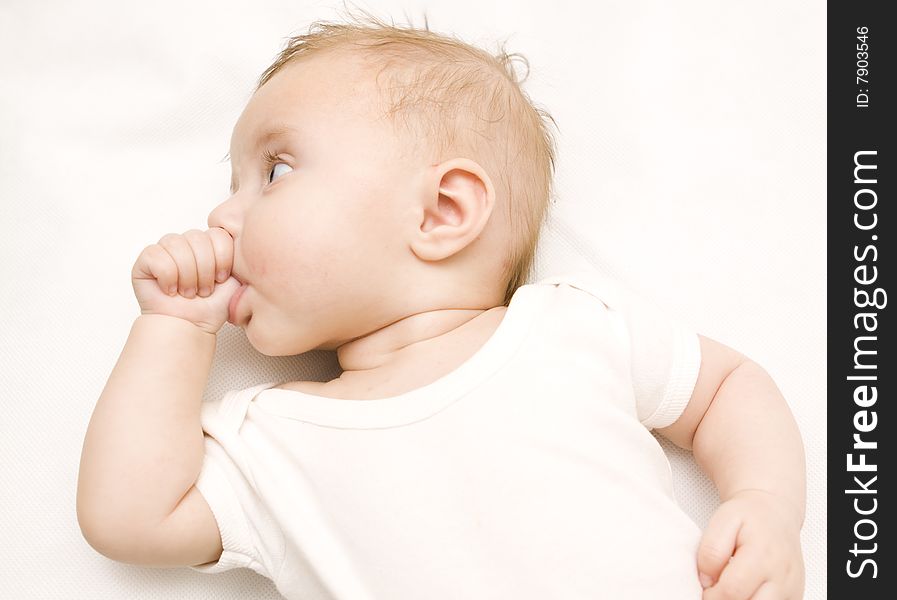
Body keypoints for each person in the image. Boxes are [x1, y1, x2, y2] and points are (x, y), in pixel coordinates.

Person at [76, 12, 806, 600]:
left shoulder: (572, 325)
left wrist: (765, 504)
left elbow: (727, 388)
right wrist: (173, 329)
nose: (220, 215)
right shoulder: (275, 439)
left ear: (442, 211)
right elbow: (129, 519)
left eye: (275, 169)